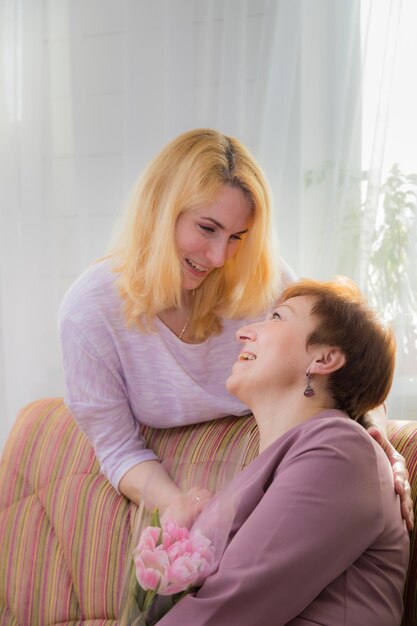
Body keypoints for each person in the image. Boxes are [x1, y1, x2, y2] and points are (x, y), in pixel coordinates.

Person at [58, 128, 413, 530]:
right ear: (158, 210)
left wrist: (382, 441)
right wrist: (179, 505)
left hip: (302, 471)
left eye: (237, 237)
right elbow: (117, 448)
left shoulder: (262, 281)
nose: (219, 256)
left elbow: (352, 365)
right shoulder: (89, 312)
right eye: (207, 228)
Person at [156, 277, 410, 626]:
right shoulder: (281, 462)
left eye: (277, 317)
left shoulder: (340, 450)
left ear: (325, 358)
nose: (243, 333)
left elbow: (233, 605)